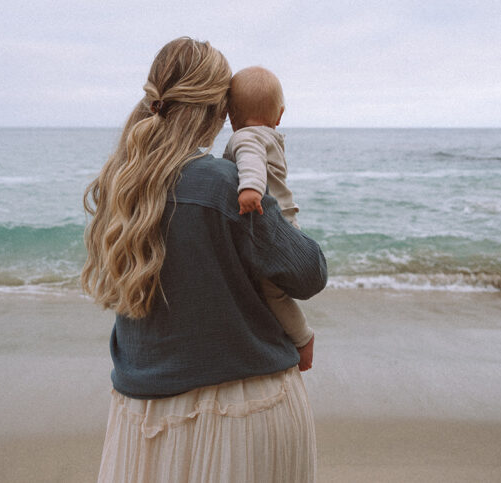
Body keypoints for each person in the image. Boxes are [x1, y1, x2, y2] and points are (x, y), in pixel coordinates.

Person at [82, 37, 327, 482]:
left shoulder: (120, 187)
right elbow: (308, 273)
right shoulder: (221, 184)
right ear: (220, 112)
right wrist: (276, 198)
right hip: (245, 410)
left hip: (142, 419)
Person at [222, 66, 315, 372]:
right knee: (275, 289)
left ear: (230, 117)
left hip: (271, 227)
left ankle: (303, 340)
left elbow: (250, 160)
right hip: (289, 225)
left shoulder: (245, 137)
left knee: (273, 291)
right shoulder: (272, 137)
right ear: (280, 115)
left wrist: (250, 188)